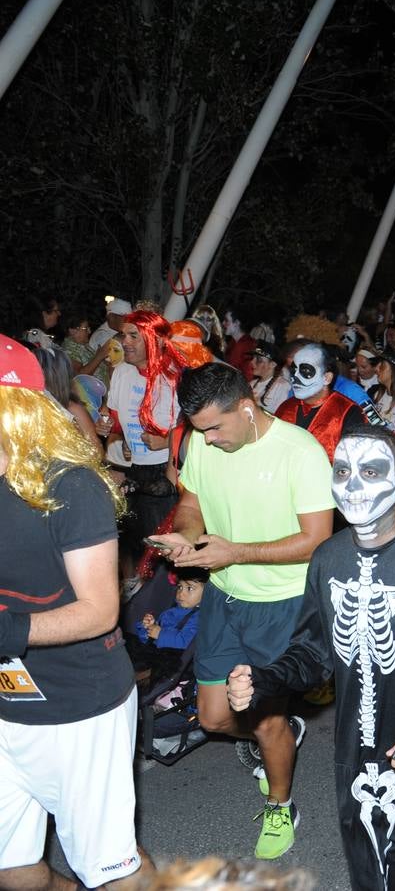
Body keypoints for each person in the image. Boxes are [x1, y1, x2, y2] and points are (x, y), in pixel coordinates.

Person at [228, 425, 395, 890]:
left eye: (371, 471)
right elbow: (314, 653)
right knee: (369, 877)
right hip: (354, 758)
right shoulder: (328, 559)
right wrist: (266, 679)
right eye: (342, 471)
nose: (353, 485)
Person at [151, 363, 334, 859]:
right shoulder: (204, 442)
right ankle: (279, 737)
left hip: (281, 603)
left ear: (247, 409)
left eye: (215, 427)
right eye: (199, 429)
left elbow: (317, 541)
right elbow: (191, 502)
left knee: (265, 716)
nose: (206, 440)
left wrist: (235, 551)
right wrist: (187, 538)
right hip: (223, 597)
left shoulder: (301, 452)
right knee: (213, 718)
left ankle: (281, 804)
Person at [0, 335, 155, 890]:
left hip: (78, 706)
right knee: (15, 873)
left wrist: (8, 630)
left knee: (111, 871)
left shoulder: (70, 485)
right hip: (4, 705)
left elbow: (98, 610)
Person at [103, 309, 188, 556]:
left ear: (155, 340)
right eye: (123, 335)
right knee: (128, 544)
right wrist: (109, 430)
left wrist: (167, 441)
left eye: (133, 336)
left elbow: (198, 427)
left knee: (158, 550)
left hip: (166, 472)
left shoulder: (177, 375)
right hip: (129, 470)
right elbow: (116, 423)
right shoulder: (121, 372)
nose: (124, 342)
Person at [275, 343, 370, 461]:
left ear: (327, 378)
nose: (295, 376)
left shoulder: (349, 411)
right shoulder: (286, 407)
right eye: (294, 370)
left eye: (305, 371)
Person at [249, 341, 291, 414]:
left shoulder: (282, 387)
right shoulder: (251, 384)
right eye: (253, 358)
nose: (252, 362)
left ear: (272, 364)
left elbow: (279, 415)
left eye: (259, 360)